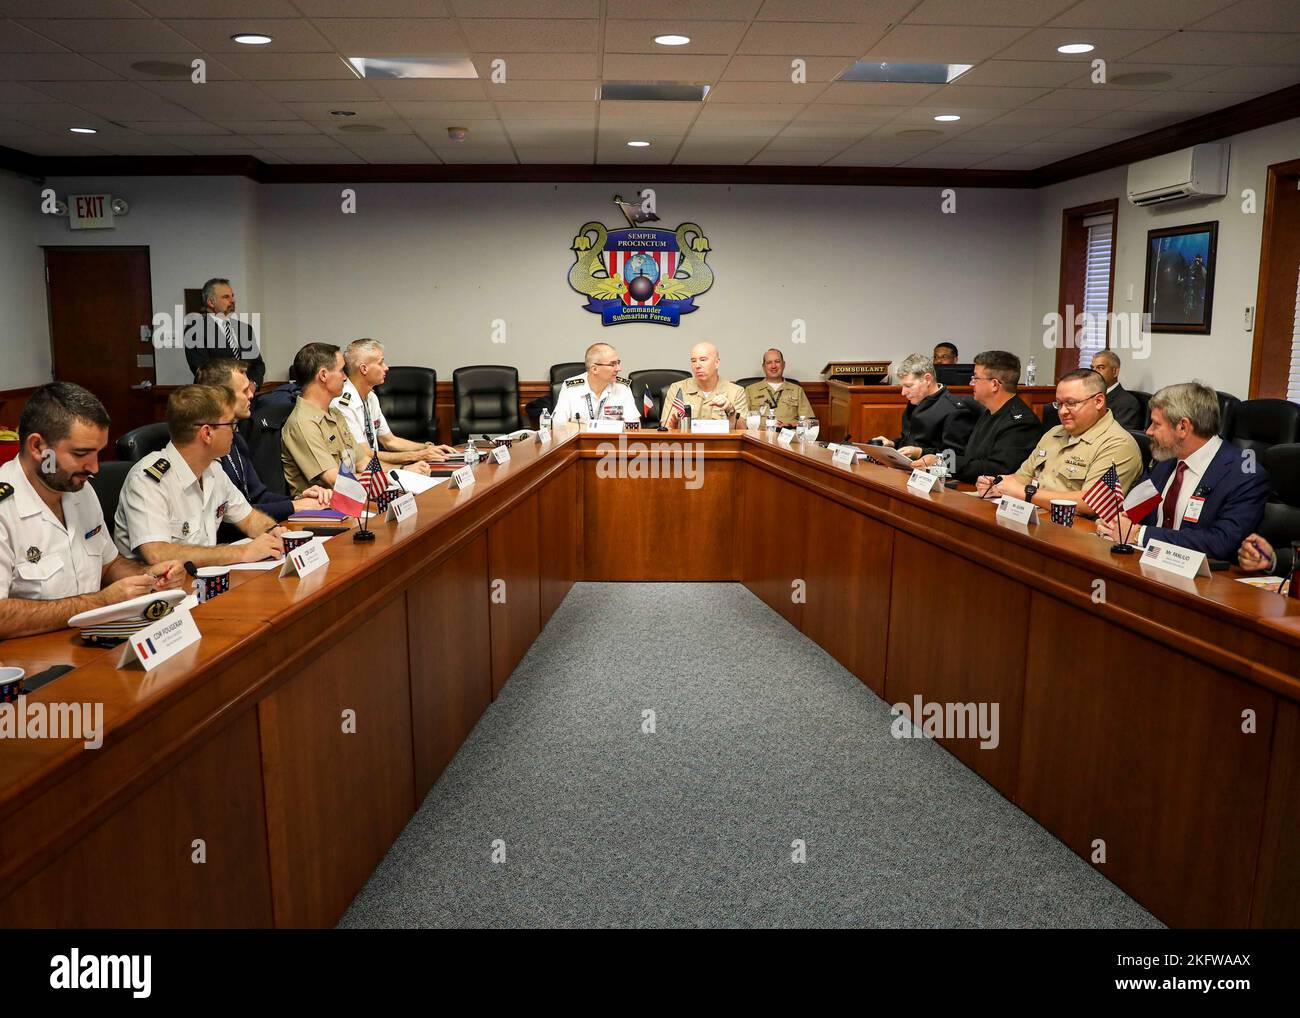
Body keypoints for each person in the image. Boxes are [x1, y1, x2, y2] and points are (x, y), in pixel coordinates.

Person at [0, 383, 187, 638]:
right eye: (80, 454)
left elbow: (108, 565)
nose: (95, 468)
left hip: (94, 642)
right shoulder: (4, 509)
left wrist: (149, 576)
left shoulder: (79, 489)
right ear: (37, 447)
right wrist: (100, 602)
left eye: (98, 453)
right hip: (32, 663)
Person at [1094, 382, 1270, 560]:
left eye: (1156, 424)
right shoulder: (1164, 459)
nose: (1148, 431)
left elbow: (1222, 542)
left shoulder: (1245, 475)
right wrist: (1115, 522)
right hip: (1143, 565)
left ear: (1183, 427)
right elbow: (1133, 510)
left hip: (1202, 580)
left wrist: (1139, 534)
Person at [114, 385, 286, 567]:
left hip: (203, 582)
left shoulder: (213, 470)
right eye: (230, 424)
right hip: (161, 589)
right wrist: (242, 552)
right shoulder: (148, 480)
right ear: (207, 433)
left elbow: (249, 518)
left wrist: (272, 530)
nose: (235, 431)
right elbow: (157, 553)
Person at [281, 342, 431, 498]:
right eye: (341, 371)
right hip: (324, 511)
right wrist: (394, 478)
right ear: (324, 375)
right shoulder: (303, 423)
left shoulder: (334, 414)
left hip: (354, 499)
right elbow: (335, 480)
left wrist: (402, 471)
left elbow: (363, 463)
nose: (345, 377)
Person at [981, 368, 1141, 510]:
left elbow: (1091, 503)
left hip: (1076, 530)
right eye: (1059, 404)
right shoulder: (1054, 433)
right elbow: (1024, 476)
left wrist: (1027, 494)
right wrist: (998, 484)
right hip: (1035, 516)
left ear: (1098, 401)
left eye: (1071, 403)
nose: (1063, 411)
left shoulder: (1117, 444)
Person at [194, 359, 331, 521]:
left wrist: (300, 500)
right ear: (220, 396)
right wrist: (295, 506)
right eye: (244, 391)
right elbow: (227, 517)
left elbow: (259, 496)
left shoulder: (236, 439)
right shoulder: (204, 447)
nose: (251, 395)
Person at [915, 351, 1041, 482]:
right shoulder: (989, 412)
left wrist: (943, 462)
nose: (971, 383)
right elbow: (968, 456)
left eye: (976, 378)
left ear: (994, 385)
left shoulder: (1020, 424)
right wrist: (927, 456)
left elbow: (995, 469)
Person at [332, 339, 458, 462]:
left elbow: (390, 441)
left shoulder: (371, 397)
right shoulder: (343, 404)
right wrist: (417, 456)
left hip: (374, 469)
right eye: (381, 363)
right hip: (357, 475)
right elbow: (365, 453)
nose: (386, 367)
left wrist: (428, 448)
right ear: (364, 369)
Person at [872, 353, 977, 461]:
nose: (903, 392)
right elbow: (910, 441)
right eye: (902, 386)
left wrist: (920, 452)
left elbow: (955, 458)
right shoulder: (915, 403)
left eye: (908, 386)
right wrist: (892, 444)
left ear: (927, 379)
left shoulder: (953, 410)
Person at [185, 277, 266, 388]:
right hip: (216, 399)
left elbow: (258, 365)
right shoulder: (195, 330)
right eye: (226, 297)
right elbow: (203, 371)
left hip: (250, 398)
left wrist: (253, 384)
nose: (232, 300)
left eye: (232, 296)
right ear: (211, 302)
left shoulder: (244, 329)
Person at [660, 342, 749, 429]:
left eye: (703, 360)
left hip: (721, 443)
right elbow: (666, 426)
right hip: (688, 443)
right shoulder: (677, 389)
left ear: (717, 363)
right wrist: (673, 427)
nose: (697, 365)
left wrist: (731, 410)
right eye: (693, 361)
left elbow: (743, 431)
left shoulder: (736, 391)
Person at [549, 342, 641, 424]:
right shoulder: (571, 388)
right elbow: (558, 425)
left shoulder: (622, 388)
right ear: (594, 369)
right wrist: (591, 429)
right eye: (612, 364)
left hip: (612, 442)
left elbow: (634, 425)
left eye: (618, 363)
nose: (618, 368)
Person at [744, 348, 814, 427]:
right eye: (769, 362)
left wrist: (790, 425)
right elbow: (743, 419)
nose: (773, 366)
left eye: (777, 361)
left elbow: (808, 421)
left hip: (789, 436)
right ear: (764, 367)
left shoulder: (797, 390)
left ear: (783, 364)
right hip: (758, 437)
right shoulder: (750, 390)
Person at [1091, 350, 1143, 431]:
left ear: (1115, 371)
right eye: (1092, 368)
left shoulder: (1128, 403)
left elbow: (1119, 437)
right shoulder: (1088, 396)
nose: (1094, 372)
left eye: (1100, 368)